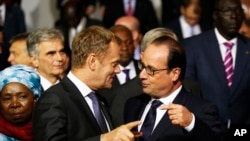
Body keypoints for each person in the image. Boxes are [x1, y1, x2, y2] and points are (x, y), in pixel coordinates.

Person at [32, 25, 142, 141]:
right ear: (92, 61)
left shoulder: (99, 98)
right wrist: (103, 139)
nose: (118, 70)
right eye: (114, 64)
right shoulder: (53, 100)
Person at [124, 28, 222, 141]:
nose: (142, 75)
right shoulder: (132, 105)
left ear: (175, 74)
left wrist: (191, 123)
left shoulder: (201, 110)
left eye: (151, 70)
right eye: (143, 66)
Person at [182, 0, 250, 139]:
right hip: (204, 130)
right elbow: (188, 91)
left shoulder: (248, 47)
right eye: (227, 11)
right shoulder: (193, 46)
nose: (234, 16)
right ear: (215, 16)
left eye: (238, 11)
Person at [110, 27, 202, 127]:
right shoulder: (127, 97)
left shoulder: (192, 90)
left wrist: (191, 123)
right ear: (143, 55)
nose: (143, 75)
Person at [98, 25, 140, 106]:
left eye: (129, 43)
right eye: (119, 43)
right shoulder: (102, 75)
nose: (125, 48)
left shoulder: (144, 69)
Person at [0, 64, 42, 141]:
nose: (15, 104)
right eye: (7, 99)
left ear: (35, 99)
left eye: (22, 97)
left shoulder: (49, 128)